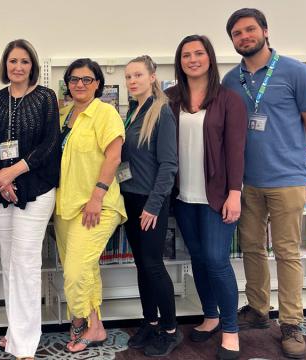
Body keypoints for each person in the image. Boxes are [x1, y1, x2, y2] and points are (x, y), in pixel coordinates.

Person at [222, 8, 306, 359]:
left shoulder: (296, 72)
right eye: (237, 33)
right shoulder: (231, 80)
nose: (244, 37)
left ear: (265, 31)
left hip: (286, 180)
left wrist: (290, 154)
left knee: (286, 252)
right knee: (251, 247)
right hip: (245, 182)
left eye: (249, 30)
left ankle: (292, 322)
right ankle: (256, 309)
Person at [0, 39, 60, 360]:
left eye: (24, 61)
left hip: (36, 188)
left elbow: (49, 145)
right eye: (13, 61)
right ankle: (15, 333)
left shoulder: (45, 97)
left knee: (26, 263)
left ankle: (25, 346)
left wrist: (11, 174)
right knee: (9, 262)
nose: (18, 67)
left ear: (32, 65)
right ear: (5, 65)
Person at [166, 35, 247, 360]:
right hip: (183, 197)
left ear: (210, 59)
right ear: (180, 61)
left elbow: (236, 152)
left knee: (216, 259)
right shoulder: (170, 98)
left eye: (199, 53)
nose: (193, 59)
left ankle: (230, 329)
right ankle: (210, 316)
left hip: (216, 197)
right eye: (186, 54)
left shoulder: (229, 100)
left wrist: (234, 194)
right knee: (198, 258)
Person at [54, 58, 126, 353]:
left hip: (97, 205)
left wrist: (97, 197)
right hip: (66, 206)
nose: (79, 85)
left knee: (75, 269)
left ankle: (81, 319)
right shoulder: (64, 114)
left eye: (86, 79)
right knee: (86, 270)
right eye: (73, 79)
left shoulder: (105, 113)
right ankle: (95, 326)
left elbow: (114, 157)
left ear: (98, 83)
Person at [120, 55, 181, 357]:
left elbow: (169, 165)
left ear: (153, 77)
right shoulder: (132, 111)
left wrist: (154, 206)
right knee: (142, 265)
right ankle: (151, 321)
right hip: (129, 198)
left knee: (154, 266)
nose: (132, 81)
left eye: (138, 75)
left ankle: (170, 330)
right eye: (128, 76)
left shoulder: (162, 112)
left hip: (150, 202)